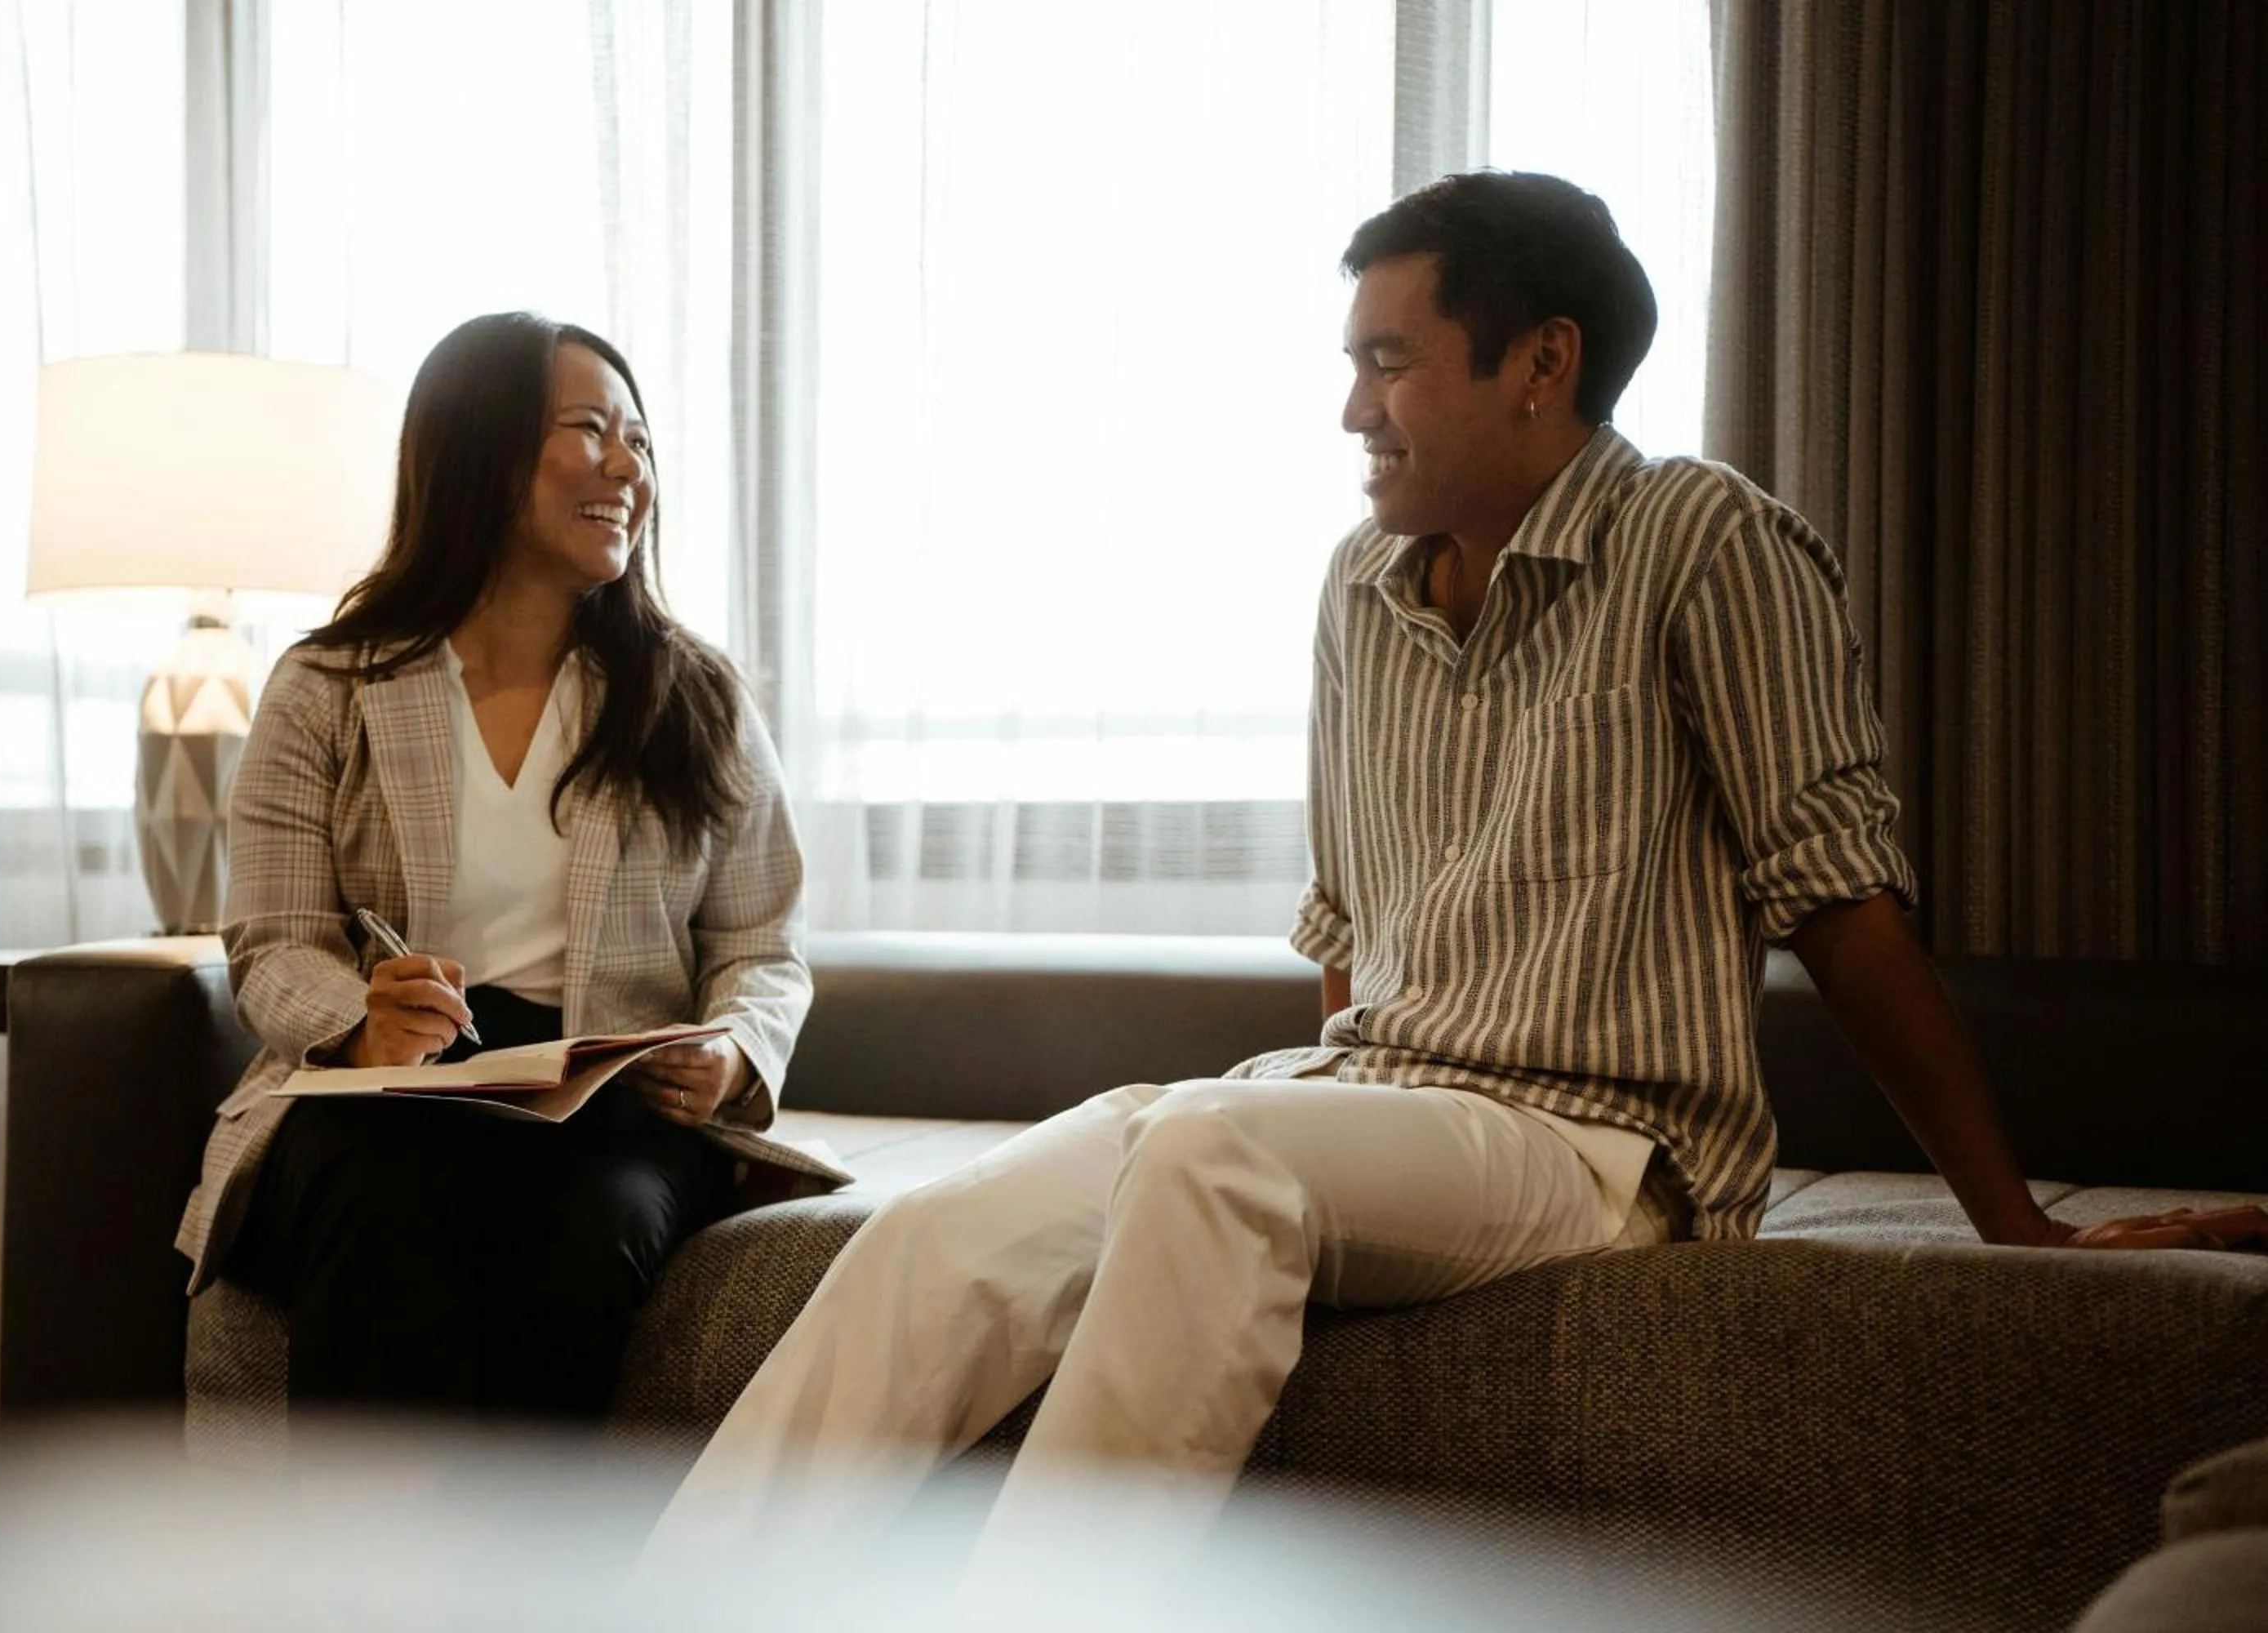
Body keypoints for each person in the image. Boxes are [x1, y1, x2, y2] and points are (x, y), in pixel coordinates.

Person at [640, 171, 2268, 1566]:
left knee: (1214, 1152)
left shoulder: (1706, 543)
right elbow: (1352, 920)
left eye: (1388, 361)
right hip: (1372, 1097)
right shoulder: (1362, 585)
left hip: (1602, 1148)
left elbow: (1840, 906)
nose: (1354, 409)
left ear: (1540, 364)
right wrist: (1339, 1157)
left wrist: (2012, 1223)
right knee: (937, 1233)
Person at [173, 311, 810, 1434]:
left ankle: (524, 1583)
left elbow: (761, 946)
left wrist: (732, 1051)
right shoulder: (328, 687)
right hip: (385, 1099)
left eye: (640, 442)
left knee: (591, 1228)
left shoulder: (695, 699)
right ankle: (369, 1586)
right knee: (381, 1193)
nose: (628, 468)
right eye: (589, 431)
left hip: (611, 1108)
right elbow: (273, 941)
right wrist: (358, 1024)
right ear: (480, 449)